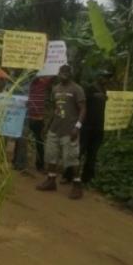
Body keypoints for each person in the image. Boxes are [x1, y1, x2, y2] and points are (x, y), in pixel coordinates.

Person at [37, 65, 86, 199]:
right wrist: (47, 126)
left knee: (71, 158)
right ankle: (51, 180)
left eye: (66, 72)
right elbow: (55, 109)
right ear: (59, 74)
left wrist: (77, 127)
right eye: (61, 72)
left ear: (71, 74)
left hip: (70, 130)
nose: (63, 74)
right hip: (55, 128)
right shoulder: (55, 89)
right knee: (51, 155)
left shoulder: (77, 89)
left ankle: (77, 185)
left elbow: (83, 109)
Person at [63, 69, 112, 184]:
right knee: (79, 152)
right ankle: (68, 176)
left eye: (108, 77)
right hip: (86, 127)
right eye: (104, 77)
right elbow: (81, 104)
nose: (106, 79)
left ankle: (87, 179)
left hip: (99, 128)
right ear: (98, 77)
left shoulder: (106, 92)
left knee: (92, 154)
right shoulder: (89, 89)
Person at [26, 76, 52, 171]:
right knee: (23, 140)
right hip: (28, 117)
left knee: (39, 142)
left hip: (39, 119)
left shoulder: (44, 82)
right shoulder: (28, 84)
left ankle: (40, 165)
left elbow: (52, 75)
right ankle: (21, 162)